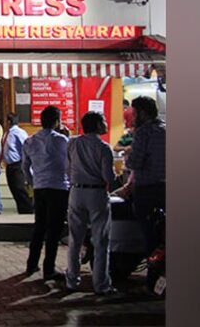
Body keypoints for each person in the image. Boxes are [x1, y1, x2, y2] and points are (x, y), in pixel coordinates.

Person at [65, 111, 117, 295]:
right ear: (96, 125)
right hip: (96, 194)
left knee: (75, 239)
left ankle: (72, 280)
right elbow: (108, 177)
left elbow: (67, 168)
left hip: (76, 191)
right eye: (103, 121)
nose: (106, 123)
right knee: (101, 241)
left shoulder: (73, 143)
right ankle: (101, 284)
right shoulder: (104, 148)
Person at [22, 105, 71, 281]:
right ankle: (48, 268)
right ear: (57, 121)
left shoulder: (30, 141)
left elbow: (24, 166)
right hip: (58, 187)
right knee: (54, 230)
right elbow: (69, 164)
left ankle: (31, 263)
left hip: (40, 187)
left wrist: (32, 181)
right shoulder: (62, 140)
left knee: (39, 227)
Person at [122, 96, 166, 260]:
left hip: (146, 190)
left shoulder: (143, 132)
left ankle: (151, 265)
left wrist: (129, 156)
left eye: (134, 113)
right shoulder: (166, 129)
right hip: (166, 188)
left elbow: (135, 162)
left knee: (147, 231)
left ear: (142, 113)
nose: (132, 117)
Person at [0, 113, 34, 214]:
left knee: (21, 191)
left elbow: (26, 147)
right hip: (9, 166)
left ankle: (27, 212)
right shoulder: (7, 133)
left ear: (9, 121)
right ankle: (22, 211)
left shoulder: (18, 132)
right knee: (15, 190)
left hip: (18, 165)